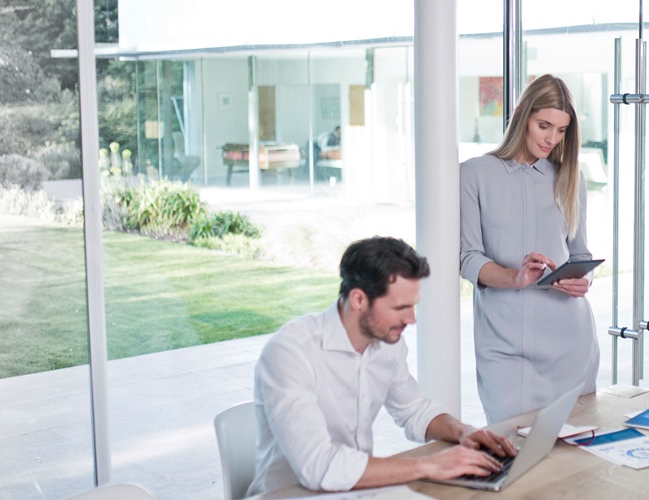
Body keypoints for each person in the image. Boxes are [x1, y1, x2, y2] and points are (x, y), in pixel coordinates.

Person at [247, 236, 516, 495]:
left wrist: (464, 431)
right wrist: (430, 465)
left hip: (356, 491)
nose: (411, 319)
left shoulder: (387, 343)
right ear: (359, 300)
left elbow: (415, 411)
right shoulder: (290, 353)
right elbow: (319, 467)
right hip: (289, 494)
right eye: (400, 307)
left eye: (413, 306)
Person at [460, 75, 600, 424]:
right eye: (544, 126)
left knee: (572, 464)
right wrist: (514, 276)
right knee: (511, 451)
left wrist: (583, 278)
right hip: (504, 346)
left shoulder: (571, 177)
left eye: (562, 130)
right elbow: (466, 257)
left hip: (570, 341)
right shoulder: (473, 175)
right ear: (521, 113)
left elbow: (579, 253)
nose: (552, 138)